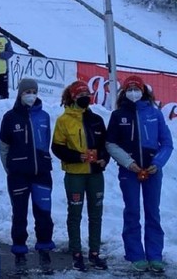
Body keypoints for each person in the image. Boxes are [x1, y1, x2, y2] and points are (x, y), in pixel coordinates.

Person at [106, 75, 173, 273]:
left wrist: (158, 163)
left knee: (153, 212)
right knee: (132, 211)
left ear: (144, 91)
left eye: (137, 89)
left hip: (152, 170)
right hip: (130, 171)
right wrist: (128, 163)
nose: (133, 92)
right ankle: (135, 254)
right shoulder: (118, 115)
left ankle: (155, 255)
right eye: (129, 89)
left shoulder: (155, 113)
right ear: (124, 92)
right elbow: (110, 143)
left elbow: (167, 143)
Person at [0, 78, 55, 275]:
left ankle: (44, 248)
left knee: (44, 214)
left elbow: (45, 142)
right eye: (27, 91)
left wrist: (43, 160)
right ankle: (20, 251)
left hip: (41, 173)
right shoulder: (10, 117)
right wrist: (12, 169)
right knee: (20, 213)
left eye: (33, 91)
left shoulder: (44, 116)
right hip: (18, 175)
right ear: (20, 94)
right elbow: (3, 147)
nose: (30, 94)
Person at [52, 80, 109, 271]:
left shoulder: (97, 120)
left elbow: (104, 146)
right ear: (73, 97)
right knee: (75, 213)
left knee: (96, 214)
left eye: (87, 94)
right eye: (81, 95)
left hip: (95, 174)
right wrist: (77, 156)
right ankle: (76, 252)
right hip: (75, 174)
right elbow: (57, 147)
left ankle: (94, 253)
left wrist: (103, 159)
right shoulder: (63, 120)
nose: (85, 98)